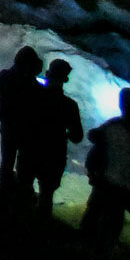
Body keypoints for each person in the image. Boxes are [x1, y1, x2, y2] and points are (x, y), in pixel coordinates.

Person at [20, 58, 82, 219]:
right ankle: (41, 233)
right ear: (65, 79)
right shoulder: (69, 105)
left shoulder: (32, 96)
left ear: (47, 74)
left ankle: (15, 229)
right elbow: (77, 136)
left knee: (22, 193)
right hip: (53, 154)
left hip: (30, 149)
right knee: (46, 197)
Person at [81, 86, 130, 252]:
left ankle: (90, 247)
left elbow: (94, 140)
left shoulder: (112, 127)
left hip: (110, 184)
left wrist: (94, 174)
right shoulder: (114, 127)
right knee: (109, 223)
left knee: (105, 222)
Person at [0, 45, 44, 197]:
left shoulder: (4, 76)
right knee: (22, 161)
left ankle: (5, 190)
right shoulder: (28, 82)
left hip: (9, 126)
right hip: (23, 127)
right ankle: (20, 191)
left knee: (7, 161)